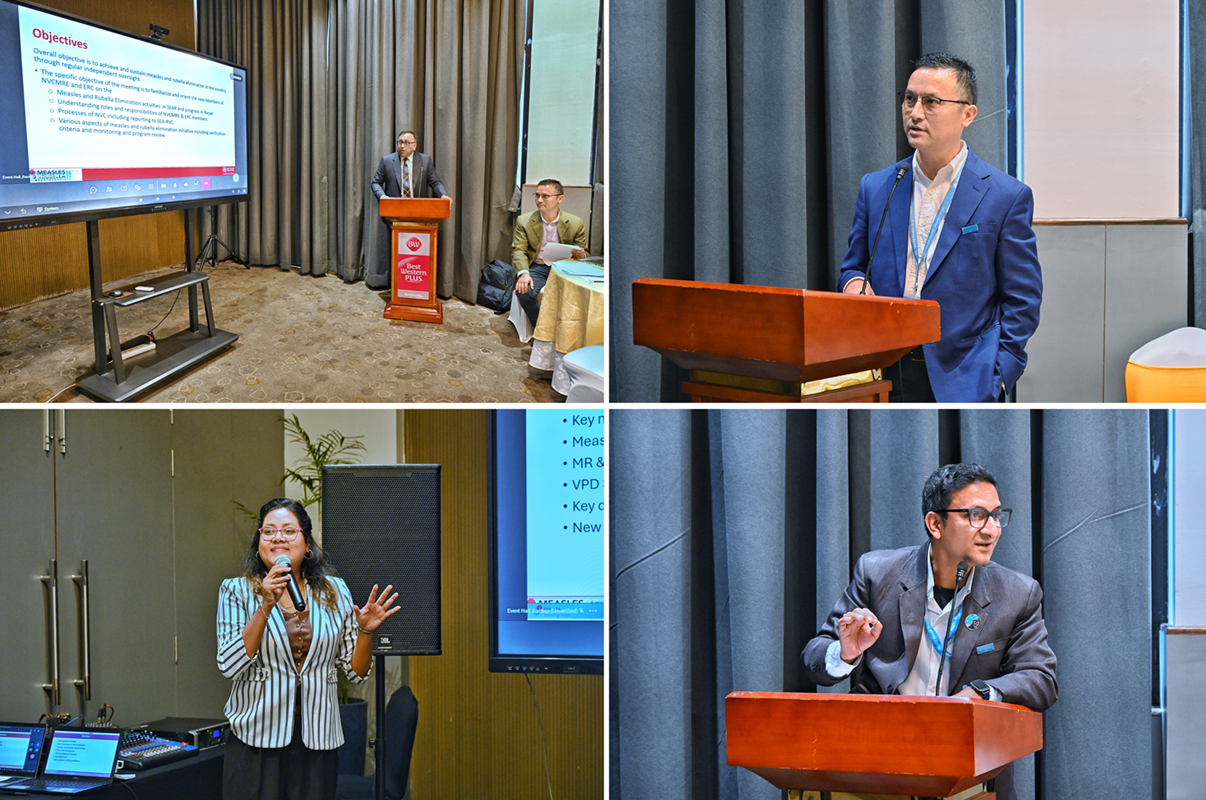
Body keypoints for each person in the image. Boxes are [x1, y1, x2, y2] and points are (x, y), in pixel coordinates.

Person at [802, 463, 1057, 800]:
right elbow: (815, 657)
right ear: (936, 524)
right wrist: (845, 653)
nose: (992, 529)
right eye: (977, 516)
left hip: (968, 774)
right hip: (881, 764)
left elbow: (1041, 678)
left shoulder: (1018, 593)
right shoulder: (878, 574)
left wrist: (981, 693)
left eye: (997, 516)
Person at [839, 53, 1042, 403]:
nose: (915, 113)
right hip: (885, 370)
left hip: (965, 377)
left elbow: (1023, 300)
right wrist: (855, 284)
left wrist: (999, 375)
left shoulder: (1005, 196)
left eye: (931, 102)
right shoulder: (877, 187)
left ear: (968, 114)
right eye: (909, 99)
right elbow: (854, 267)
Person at [217, 498, 399, 800]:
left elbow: (356, 672)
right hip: (256, 739)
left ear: (308, 544)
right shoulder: (236, 591)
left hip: (317, 739)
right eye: (269, 531)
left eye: (289, 531)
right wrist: (265, 605)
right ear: (259, 543)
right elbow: (229, 664)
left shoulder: (335, 591)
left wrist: (365, 631)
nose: (278, 538)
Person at [511, 178, 587, 325]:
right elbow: (519, 250)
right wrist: (524, 273)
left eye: (545, 196)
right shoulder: (524, 221)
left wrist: (581, 254)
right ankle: (542, 328)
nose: (539, 200)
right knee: (524, 291)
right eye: (537, 195)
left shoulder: (575, 223)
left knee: (580, 293)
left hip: (565, 267)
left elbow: (585, 253)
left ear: (560, 198)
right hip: (537, 266)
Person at [371, 130, 451, 203]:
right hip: (394, 208)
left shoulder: (425, 160)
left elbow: (435, 182)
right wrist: (383, 197)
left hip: (418, 208)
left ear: (414, 146)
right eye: (400, 142)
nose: (402, 146)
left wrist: (443, 195)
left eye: (407, 143)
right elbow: (376, 183)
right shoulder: (387, 160)